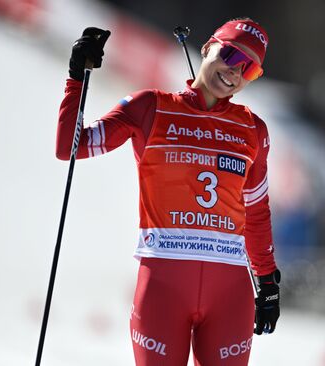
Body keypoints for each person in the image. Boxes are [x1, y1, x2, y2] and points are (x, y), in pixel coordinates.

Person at [56, 17, 280, 366]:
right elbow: (72, 147)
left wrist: (267, 282)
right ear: (207, 47)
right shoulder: (150, 107)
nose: (235, 71)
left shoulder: (253, 129)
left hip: (230, 292)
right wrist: (76, 77)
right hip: (163, 287)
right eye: (231, 56)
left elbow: (257, 211)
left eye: (249, 69)